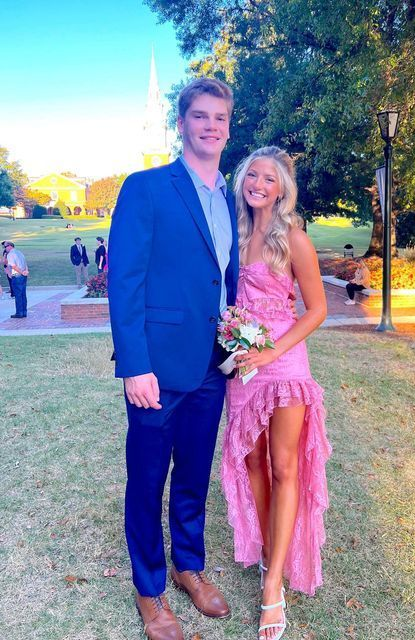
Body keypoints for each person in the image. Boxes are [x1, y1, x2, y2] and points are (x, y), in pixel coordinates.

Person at [108, 78, 239, 640]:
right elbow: (125, 279)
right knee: (146, 481)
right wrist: (134, 365)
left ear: (229, 127)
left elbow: (225, 279)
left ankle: (189, 566)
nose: (211, 126)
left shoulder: (230, 198)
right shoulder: (147, 188)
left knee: (193, 474)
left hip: (213, 365)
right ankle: (149, 589)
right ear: (181, 123)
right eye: (200, 116)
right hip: (156, 369)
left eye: (220, 118)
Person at [221, 147, 331, 640]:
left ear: (283, 189)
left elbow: (317, 309)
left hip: (284, 363)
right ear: (242, 181)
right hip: (244, 363)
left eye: (269, 178)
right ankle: (271, 551)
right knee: (252, 462)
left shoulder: (294, 239)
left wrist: (272, 353)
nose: (259, 184)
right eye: (252, 175)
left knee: (284, 466)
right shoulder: (234, 235)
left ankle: (273, 585)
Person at [4, 241, 29, 318]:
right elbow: (25, 263)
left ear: (10, 246)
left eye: (5, 247)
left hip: (17, 276)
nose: (5, 249)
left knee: (18, 295)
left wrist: (21, 272)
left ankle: (19, 313)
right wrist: (26, 271)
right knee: (23, 294)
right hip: (23, 276)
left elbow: (13, 266)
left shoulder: (10, 254)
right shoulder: (19, 252)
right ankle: (24, 312)